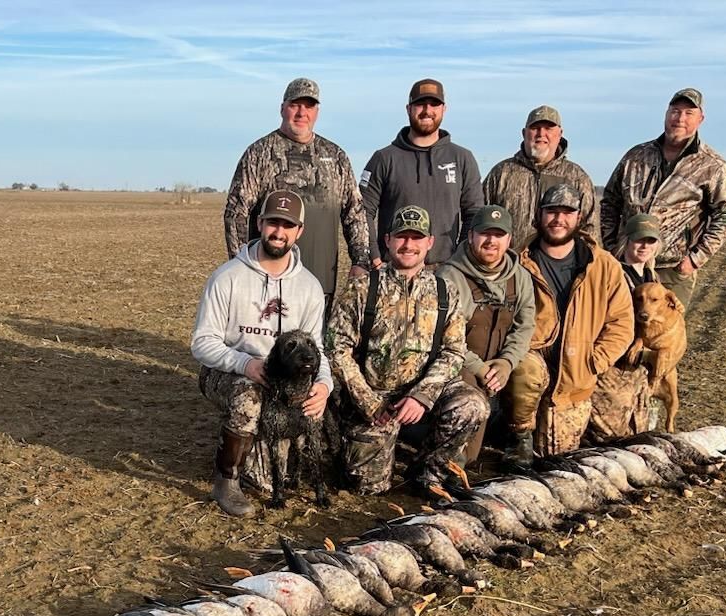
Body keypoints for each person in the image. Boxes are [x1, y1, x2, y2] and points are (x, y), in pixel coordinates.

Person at [326, 204, 488, 495]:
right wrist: (369, 403)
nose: (409, 245)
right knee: (368, 488)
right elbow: (336, 349)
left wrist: (422, 396)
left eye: (417, 237)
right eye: (402, 236)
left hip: (424, 394)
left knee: (472, 404)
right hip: (375, 399)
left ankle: (429, 471)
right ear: (388, 240)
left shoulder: (445, 292)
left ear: (430, 242)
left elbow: (453, 352)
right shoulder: (361, 289)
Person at [193, 190, 332, 517]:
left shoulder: (310, 287)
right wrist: (245, 364)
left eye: (288, 225)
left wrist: (324, 386)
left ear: (300, 231)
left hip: (282, 381)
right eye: (273, 222)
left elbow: (317, 349)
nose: (279, 232)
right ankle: (226, 480)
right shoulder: (227, 277)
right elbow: (202, 343)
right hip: (228, 373)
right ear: (259, 223)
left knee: (271, 483)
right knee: (249, 396)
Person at [508, 185, 634, 459]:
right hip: (534, 369)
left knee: (557, 457)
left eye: (567, 212)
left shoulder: (604, 266)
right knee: (525, 370)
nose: (558, 219)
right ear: (539, 215)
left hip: (576, 375)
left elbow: (622, 324)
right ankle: (518, 433)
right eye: (552, 211)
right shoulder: (517, 263)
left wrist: (594, 362)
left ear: (579, 218)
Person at [223, 78, 370, 313]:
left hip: (320, 280)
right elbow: (236, 212)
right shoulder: (259, 154)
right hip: (266, 279)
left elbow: (355, 213)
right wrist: (241, 263)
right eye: (295, 105)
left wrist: (360, 261)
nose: (302, 112)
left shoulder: (335, 156)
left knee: (316, 335)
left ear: (317, 112)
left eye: (309, 106)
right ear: (282, 108)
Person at [600, 88, 726, 309]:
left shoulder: (712, 166)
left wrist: (694, 259)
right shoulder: (636, 156)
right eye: (675, 111)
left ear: (700, 119)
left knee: (665, 330)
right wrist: (611, 247)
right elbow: (610, 201)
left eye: (688, 113)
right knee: (619, 327)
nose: (680, 118)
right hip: (625, 266)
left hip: (671, 270)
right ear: (666, 114)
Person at [434, 204, 537, 464]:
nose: (491, 241)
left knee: (532, 369)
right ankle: (444, 452)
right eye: (484, 233)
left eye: (499, 234)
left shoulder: (521, 277)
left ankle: (517, 438)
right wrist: (479, 369)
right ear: (471, 236)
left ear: (509, 240)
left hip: (498, 365)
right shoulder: (449, 276)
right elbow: (444, 338)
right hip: (461, 363)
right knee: (468, 456)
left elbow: (524, 327)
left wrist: (507, 362)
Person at [360, 79, 483, 268]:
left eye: (434, 104)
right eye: (420, 104)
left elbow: (474, 213)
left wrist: (460, 259)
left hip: (446, 270)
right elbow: (362, 211)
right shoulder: (384, 158)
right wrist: (374, 257)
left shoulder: (462, 158)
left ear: (444, 109)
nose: (427, 110)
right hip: (394, 269)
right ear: (408, 109)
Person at [588, 213, 664, 440]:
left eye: (650, 240)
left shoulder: (652, 277)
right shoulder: (613, 273)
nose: (644, 246)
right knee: (610, 435)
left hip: (638, 370)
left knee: (638, 433)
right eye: (639, 239)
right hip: (614, 368)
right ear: (626, 240)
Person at [482, 105, 598, 251]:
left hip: (558, 264)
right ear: (524, 133)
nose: (541, 134)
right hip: (509, 263)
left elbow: (590, 232)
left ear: (560, 134)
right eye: (535, 128)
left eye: (548, 128)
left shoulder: (577, 178)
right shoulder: (501, 173)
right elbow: (480, 221)